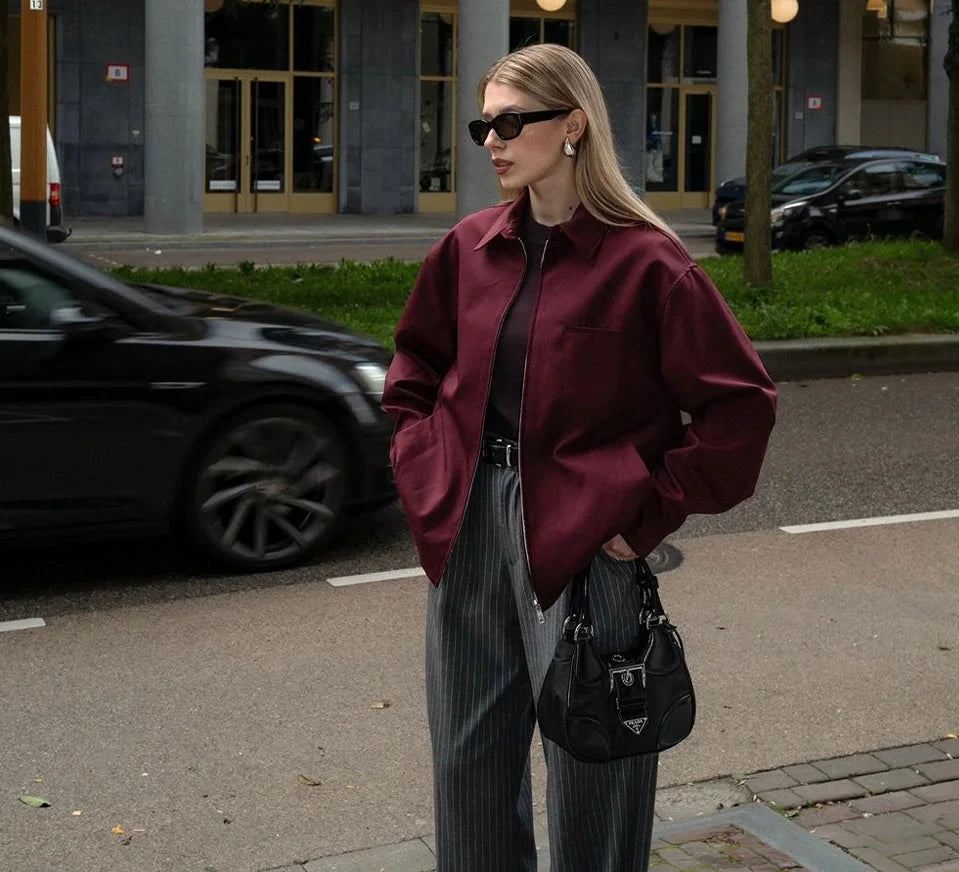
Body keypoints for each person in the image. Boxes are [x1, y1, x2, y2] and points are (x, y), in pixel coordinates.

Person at [382, 44, 777, 872]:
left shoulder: (647, 264)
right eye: (482, 122)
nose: (491, 139)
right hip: (468, 534)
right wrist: (426, 471)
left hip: (590, 542)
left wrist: (645, 516)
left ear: (572, 126)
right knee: (467, 769)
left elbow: (738, 405)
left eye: (511, 121)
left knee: (596, 772)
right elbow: (414, 368)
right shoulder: (467, 249)